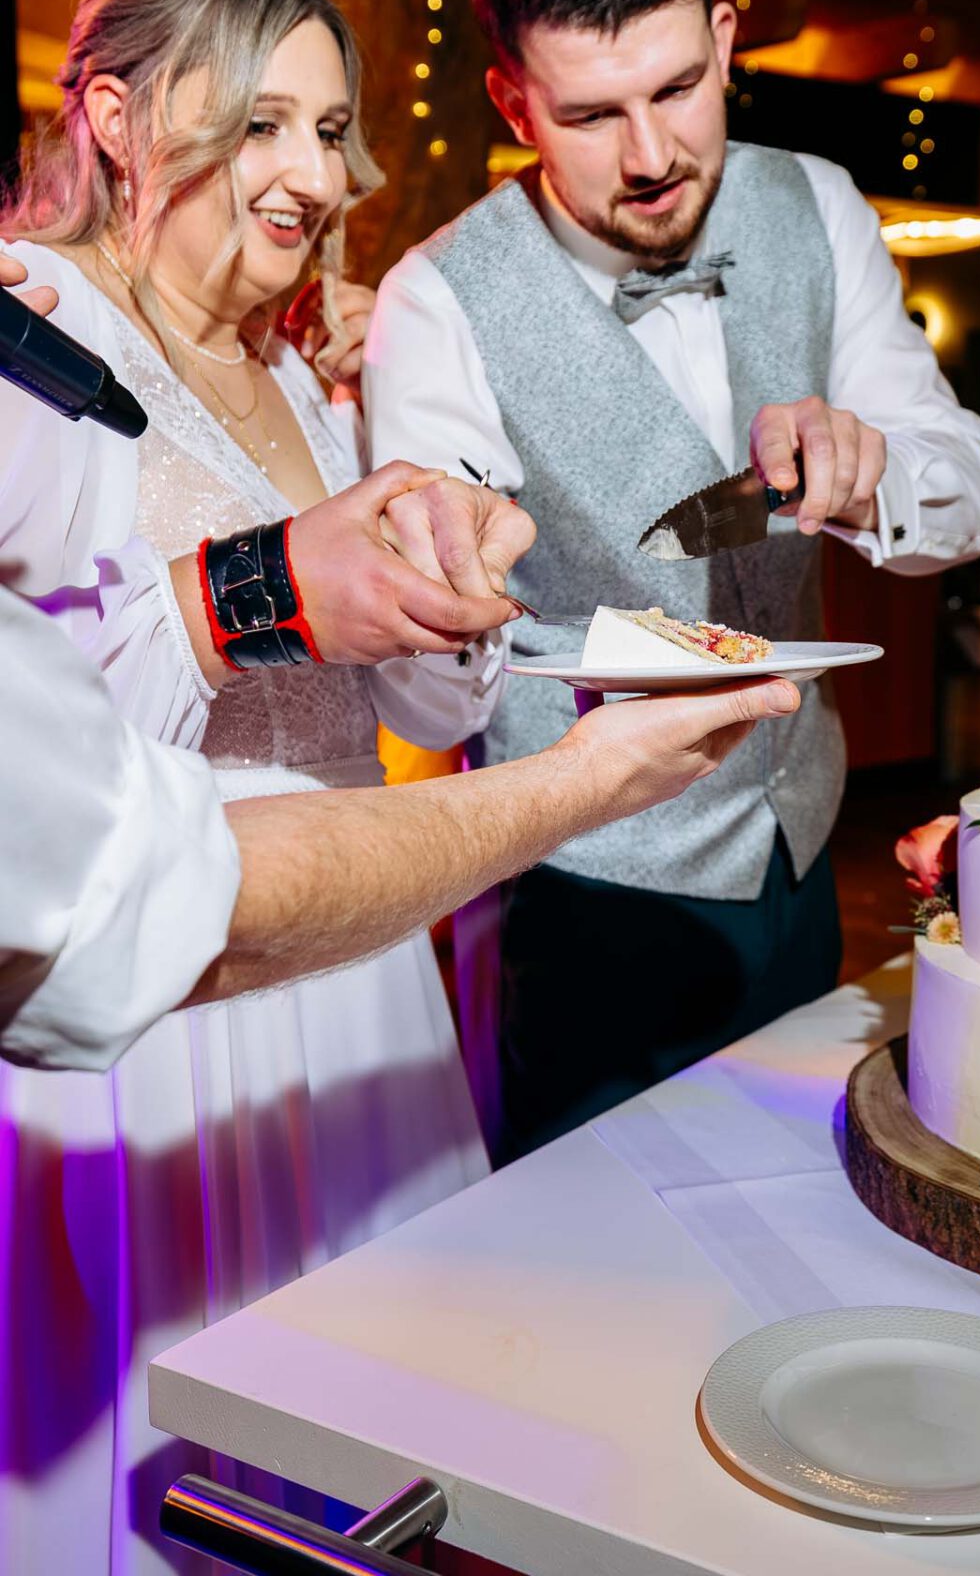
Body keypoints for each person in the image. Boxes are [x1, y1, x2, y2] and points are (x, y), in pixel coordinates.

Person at [0, 253, 798, 1572]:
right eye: (251, 140)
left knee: (391, 1399)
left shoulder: (310, 382)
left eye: (330, 147)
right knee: (185, 1420)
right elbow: (57, 774)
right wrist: (261, 590)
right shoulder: (46, 334)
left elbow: (426, 708)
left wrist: (454, 606)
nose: (305, 173)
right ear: (117, 139)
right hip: (180, 978)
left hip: (363, 930)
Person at [364, 0, 980, 1161]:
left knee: (809, 1198)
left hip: (803, 845)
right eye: (591, 115)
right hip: (580, 888)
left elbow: (973, 492)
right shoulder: (435, 301)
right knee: (588, 1253)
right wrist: (443, 600)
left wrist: (873, 467)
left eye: (676, 90)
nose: (651, 158)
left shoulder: (818, 203)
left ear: (724, 36)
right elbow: (427, 700)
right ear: (514, 102)